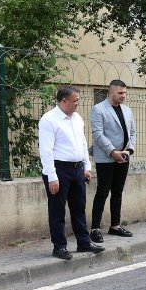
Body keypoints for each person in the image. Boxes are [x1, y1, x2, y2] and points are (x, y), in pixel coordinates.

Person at [39, 86, 105, 260]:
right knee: (57, 210)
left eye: (78, 100)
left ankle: (84, 242)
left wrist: (86, 166)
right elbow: (46, 151)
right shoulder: (49, 120)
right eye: (75, 100)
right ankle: (59, 246)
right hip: (58, 169)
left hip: (77, 168)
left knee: (79, 208)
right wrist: (52, 177)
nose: (78, 103)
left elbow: (82, 143)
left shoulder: (77, 119)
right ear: (64, 101)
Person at [89, 79, 137, 243]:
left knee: (118, 192)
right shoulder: (98, 109)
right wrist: (112, 152)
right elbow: (98, 134)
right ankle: (95, 228)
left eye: (125, 93)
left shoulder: (127, 110)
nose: (124, 96)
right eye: (120, 93)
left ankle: (115, 226)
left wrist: (129, 150)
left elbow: (133, 133)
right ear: (110, 92)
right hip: (106, 158)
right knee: (102, 192)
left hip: (124, 157)